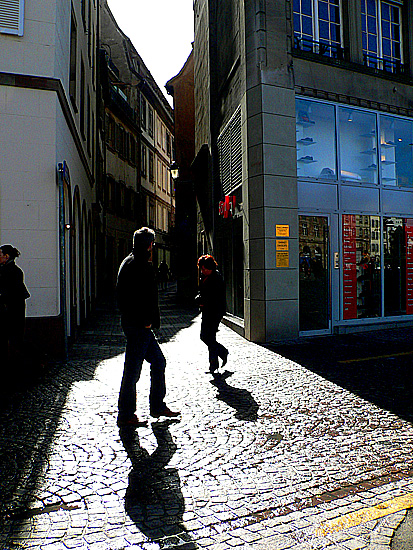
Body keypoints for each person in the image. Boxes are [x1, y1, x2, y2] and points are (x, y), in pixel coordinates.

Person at [116, 227, 180, 427]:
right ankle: (126, 414)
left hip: (137, 325)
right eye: (152, 243)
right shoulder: (138, 264)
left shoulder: (130, 261)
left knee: (158, 362)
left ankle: (157, 405)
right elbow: (134, 297)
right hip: (139, 326)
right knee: (133, 371)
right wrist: (145, 319)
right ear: (149, 244)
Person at [196, 254, 228, 374]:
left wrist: (202, 300)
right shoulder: (204, 277)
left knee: (207, 337)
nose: (202, 271)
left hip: (215, 312)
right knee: (208, 337)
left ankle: (221, 354)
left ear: (210, 268)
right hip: (207, 311)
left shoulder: (216, 278)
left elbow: (215, 297)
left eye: (204, 269)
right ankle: (214, 364)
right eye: (201, 269)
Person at [0, 244, 30, 363]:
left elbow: (11, 293)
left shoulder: (13, 272)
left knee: (15, 339)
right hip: (10, 310)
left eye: (0, 255)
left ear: (6, 256)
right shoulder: (8, 270)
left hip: (11, 311)